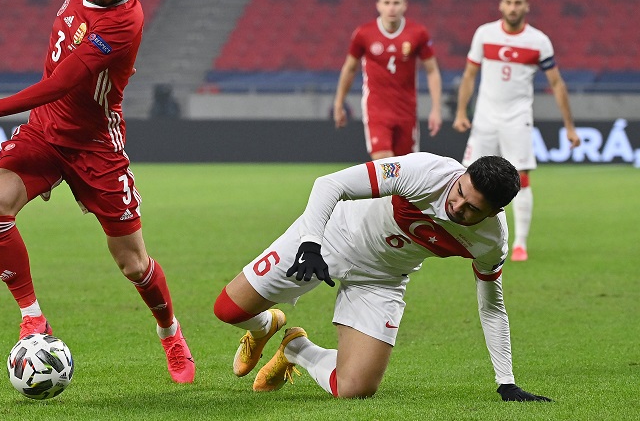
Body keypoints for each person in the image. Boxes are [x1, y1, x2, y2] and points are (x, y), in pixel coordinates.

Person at [0, 0, 195, 384]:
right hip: (45, 130)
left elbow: (60, 83)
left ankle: (170, 333)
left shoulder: (124, 23)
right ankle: (33, 318)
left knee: (134, 264)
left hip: (95, 145)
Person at [213, 152, 551, 402]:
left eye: (472, 208)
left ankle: (296, 348)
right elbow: (330, 184)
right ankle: (265, 326)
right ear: (462, 174)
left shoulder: (490, 242)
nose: (456, 205)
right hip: (330, 236)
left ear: (494, 213)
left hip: (383, 277)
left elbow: (492, 307)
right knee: (228, 310)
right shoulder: (424, 172)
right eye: (460, 191)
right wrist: (311, 243)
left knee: (354, 389)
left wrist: (506, 382)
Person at [452, 0, 581, 262]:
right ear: (501, 5)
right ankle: (463, 234)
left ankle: (520, 243)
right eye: (508, 2)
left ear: (526, 7)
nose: (513, 8)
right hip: (485, 117)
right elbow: (469, 75)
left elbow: (556, 83)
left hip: (517, 118)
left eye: (518, 3)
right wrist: (462, 111)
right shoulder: (485, 34)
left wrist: (569, 126)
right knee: (468, 175)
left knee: (521, 177)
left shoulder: (539, 41)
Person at [333, 0, 444, 161]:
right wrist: (339, 103)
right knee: (384, 161)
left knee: (405, 168)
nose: (391, 8)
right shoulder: (364, 33)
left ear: (404, 5)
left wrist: (436, 109)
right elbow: (350, 68)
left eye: (396, 3)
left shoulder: (418, 33)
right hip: (376, 109)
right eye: (387, 3)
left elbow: (432, 71)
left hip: (407, 110)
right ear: (378, 6)